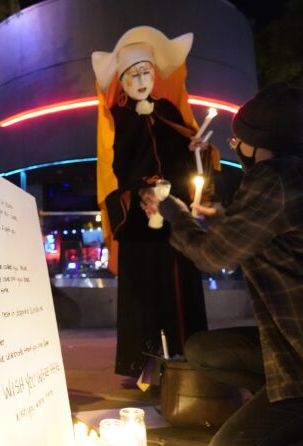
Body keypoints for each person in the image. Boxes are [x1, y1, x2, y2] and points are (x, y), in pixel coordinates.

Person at [140, 82, 303, 446]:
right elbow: (262, 234)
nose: (237, 148)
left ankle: (297, 415)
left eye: (238, 141)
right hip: (289, 342)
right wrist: (220, 216)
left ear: (258, 142)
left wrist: (172, 211)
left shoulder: (273, 179)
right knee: (203, 350)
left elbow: (213, 256)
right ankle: (280, 406)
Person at [92, 26, 218, 379]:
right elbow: (113, 169)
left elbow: (188, 159)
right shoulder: (117, 119)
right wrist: (139, 194)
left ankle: (190, 359)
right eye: (133, 74)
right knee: (142, 294)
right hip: (138, 224)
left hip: (175, 218)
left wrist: (196, 149)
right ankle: (142, 366)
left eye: (146, 71)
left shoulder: (168, 111)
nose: (142, 79)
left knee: (182, 289)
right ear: (123, 81)